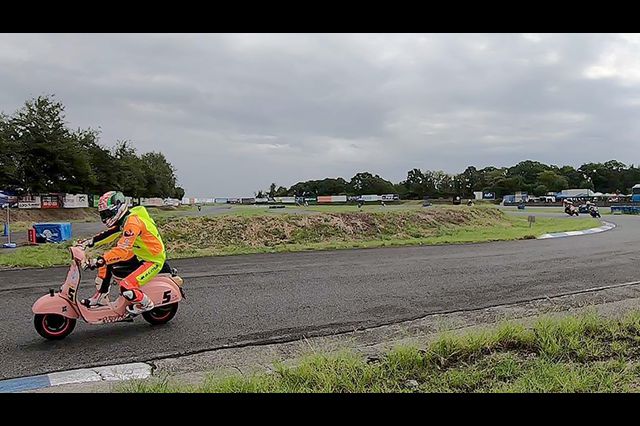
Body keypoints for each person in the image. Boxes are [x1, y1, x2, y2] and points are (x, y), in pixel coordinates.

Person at [79, 191, 169, 315]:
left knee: (126, 286)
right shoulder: (126, 219)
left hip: (152, 260)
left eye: (107, 213)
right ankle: (100, 297)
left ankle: (146, 304)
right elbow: (111, 233)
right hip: (139, 254)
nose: (105, 218)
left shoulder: (132, 223)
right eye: (103, 214)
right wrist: (90, 242)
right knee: (106, 264)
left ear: (118, 208)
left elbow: (122, 250)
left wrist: (99, 260)